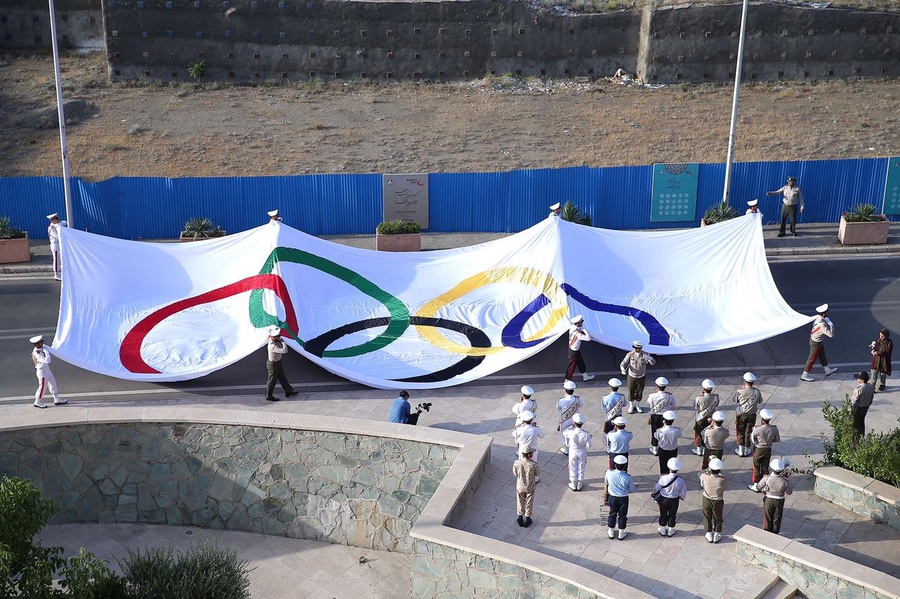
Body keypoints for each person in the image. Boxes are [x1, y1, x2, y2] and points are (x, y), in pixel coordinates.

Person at [750, 458, 793, 534]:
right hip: (779, 500)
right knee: (777, 517)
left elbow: (758, 487)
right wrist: (786, 480)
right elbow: (789, 492)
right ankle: (775, 533)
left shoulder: (767, 478)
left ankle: (767, 533)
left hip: (768, 499)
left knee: (767, 517)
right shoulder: (784, 481)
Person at [801, 303, 837, 382]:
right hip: (816, 343)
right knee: (812, 359)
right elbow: (831, 335)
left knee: (822, 356)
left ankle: (827, 370)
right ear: (824, 314)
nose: (828, 313)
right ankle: (804, 375)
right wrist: (831, 325)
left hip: (817, 341)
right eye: (827, 312)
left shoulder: (818, 318)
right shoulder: (822, 325)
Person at [30, 335, 66, 408]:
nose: (42, 343)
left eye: (42, 341)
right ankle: (37, 401)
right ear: (36, 344)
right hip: (42, 371)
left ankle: (56, 398)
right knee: (43, 387)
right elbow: (47, 361)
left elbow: (51, 349)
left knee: (53, 383)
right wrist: (47, 353)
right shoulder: (36, 353)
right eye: (40, 342)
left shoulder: (43, 347)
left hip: (46, 369)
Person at [699, 457, 730, 543]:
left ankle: (708, 533)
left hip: (706, 499)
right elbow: (727, 484)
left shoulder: (705, 476)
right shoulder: (722, 479)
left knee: (707, 516)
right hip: (718, 501)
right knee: (718, 517)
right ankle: (717, 534)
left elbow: (700, 476)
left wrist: (707, 470)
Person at [605, 455, 635, 540]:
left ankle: (611, 530)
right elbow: (632, 489)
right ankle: (621, 532)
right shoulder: (628, 477)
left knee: (612, 513)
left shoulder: (609, 473)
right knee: (623, 515)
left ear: (615, 465)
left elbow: (606, 481)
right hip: (623, 498)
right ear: (625, 466)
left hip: (613, 497)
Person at [620, 341, 656, 414]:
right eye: (636, 348)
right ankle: (631, 406)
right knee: (631, 391)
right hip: (631, 376)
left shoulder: (645, 354)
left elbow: (653, 363)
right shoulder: (630, 355)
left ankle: (637, 405)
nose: (637, 350)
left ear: (641, 348)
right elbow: (623, 363)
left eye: (638, 348)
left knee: (639, 392)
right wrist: (623, 369)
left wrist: (649, 359)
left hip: (641, 376)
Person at [655, 457, 687, 537]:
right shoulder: (681, 480)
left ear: (669, 468)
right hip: (674, 499)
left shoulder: (663, 478)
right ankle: (671, 529)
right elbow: (683, 492)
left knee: (663, 513)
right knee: (673, 514)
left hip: (663, 499)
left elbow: (657, 487)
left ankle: (662, 528)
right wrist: (681, 497)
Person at [732, 372, 762, 457]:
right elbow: (760, 401)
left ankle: (741, 449)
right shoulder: (757, 392)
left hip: (741, 414)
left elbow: (734, 400)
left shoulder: (740, 391)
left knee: (740, 430)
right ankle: (746, 448)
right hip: (752, 415)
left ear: (745, 381)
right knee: (748, 431)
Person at [265, 329, 299, 402]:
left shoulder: (276, 341)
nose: (280, 337)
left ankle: (288, 391)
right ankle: (269, 395)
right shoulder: (272, 345)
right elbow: (284, 350)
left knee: (282, 377)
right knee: (272, 380)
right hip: (273, 364)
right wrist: (283, 342)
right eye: (278, 336)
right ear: (274, 337)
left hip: (278, 361)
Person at [645, 376, 675, 456]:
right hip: (666, 416)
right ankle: (662, 445)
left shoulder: (652, 396)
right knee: (664, 431)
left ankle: (655, 448)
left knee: (655, 431)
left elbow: (647, 404)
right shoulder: (669, 396)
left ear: (657, 386)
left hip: (655, 416)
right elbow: (674, 404)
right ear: (665, 387)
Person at [749, 409, 780, 484]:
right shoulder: (774, 429)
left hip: (759, 449)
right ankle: (765, 482)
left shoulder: (757, 429)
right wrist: (768, 441)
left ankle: (756, 484)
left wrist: (758, 443)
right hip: (768, 449)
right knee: (765, 467)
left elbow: (752, 439)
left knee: (756, 466)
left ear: (762, 420)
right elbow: (777, 440)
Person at [513, 445, 540, 528]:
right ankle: (528, 519)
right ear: (529, 454)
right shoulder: (533, 465)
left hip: (520, 486)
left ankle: (520, 518)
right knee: (529, 503)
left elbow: (515, 473)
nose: (532, 453)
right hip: (530, 487)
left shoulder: (517, 463)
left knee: (520, 501)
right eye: (531, 452)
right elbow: (537, 473)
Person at [564, 413, 592, 491]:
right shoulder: (586, 434)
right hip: (582, 451)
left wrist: (570, 427)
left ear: (574, 423)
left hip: (573, 451)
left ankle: (573, 483)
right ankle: (579, 483)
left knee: (572, 466)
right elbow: (589, 446)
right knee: (581, 466)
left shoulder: (571, 432)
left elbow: (564, 434)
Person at [692, 379, 719, 456]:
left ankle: (699, 450)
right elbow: (716, 404)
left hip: (700, 418)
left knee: (698, 433)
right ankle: (705, 448)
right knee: (707, 433)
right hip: (711, 418)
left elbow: (695, 407)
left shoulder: (699, 398)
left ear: (704, 389)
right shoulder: (716, 397)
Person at [565, 315, 595, 383]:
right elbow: (588, 338)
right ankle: (567, 380)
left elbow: (580, 329)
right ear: (577, 323)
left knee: (581, 363)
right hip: (573, 352)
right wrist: (585, 330)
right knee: (572, 366)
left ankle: (585, 376)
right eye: (581, 322)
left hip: (575, 350)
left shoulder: (573, 327)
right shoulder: (577, 333)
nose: (582, 323)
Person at [556, 380, 583, 455]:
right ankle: (573, 446)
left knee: (564, 434)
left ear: (565, 390)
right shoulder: (577, 399)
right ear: (573, 390)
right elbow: (581, 405)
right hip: (575, 419)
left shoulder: (562, 400)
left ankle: (566, 449)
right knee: (575, 434)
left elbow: (558, 407)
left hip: (565, 420)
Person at [654, 410, 682, 474]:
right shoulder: (676, 430)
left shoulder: (660, 431)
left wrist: (663, 426)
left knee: (663, 465)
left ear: (664, 421)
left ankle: (664, 476)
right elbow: (680, 435)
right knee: (672, 464)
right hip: (673, 450)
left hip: (663, 450)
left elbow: (656, 437)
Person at [849, 371, 875, 441]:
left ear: (862, 380)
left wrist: (850, 410)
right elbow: (871, 398)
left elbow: (854, 401)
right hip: (865, 408)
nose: (857, 379)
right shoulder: (871, 387)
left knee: (855, 425)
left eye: (859, 378)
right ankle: (861, 437)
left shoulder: (859, 389)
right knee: (861, 423)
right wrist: (868, 405)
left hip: (858, 409)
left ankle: (855, 440)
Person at [47, 213, 66, 281]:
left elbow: (65, 222)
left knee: (61, 259)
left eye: (57, 218)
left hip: (59, 244)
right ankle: (56, 275)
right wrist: (56, 226)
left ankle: (60, 273)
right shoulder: (51, 228)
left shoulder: (58, 225)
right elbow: (58, 236)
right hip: (55, 244)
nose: (57, 220)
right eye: (56, 219)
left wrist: (58, 224)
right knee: (56, 260)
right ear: (52, 220)